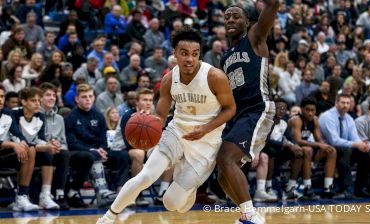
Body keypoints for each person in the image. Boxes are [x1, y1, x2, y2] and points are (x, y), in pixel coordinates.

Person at [97, 26, 236, 224]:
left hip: (206, 142)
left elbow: (230, 109)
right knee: (145, 176)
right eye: (184, 53)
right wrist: (149, 122)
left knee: (172, 203)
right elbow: (161, 117)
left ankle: (189, 187)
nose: (190, 59)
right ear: (175, 54)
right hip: (177, 133)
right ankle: (107, 218)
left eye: (195, 54)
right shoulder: (169, 79)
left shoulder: (214, 77)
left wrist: (205, 128)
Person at [217, 1, 278, 223]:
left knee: (226, 158)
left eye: (236, 16)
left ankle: (250, 215)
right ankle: (248, 214)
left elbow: (273, 6)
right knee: (222, 174)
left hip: (257, 108)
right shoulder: (224, 58)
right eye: (227, 17)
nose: (230, 20)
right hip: (238, 115)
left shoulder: (254, 38)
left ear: (247, 22)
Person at [65, 84, 129, 208]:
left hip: (97, 151)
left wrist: (103, 150)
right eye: (84, 97)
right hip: (78, 153)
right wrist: (93, 150)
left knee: (123, 155)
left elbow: (103, 141)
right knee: (91, 155)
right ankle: (103, 193)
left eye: (90, 96)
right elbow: (72, 143)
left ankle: (120, 192)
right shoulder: (70, 117)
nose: (88, 99)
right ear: (77, 99)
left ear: (94, 98)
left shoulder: (99, 116)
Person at [319, 93, 369, 199]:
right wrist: (355, 144)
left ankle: (360, 189)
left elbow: (354, 137)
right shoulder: (327, 116)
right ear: (336, 103)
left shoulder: (349, 118)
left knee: (367, 153)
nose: (345, 105)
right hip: (324, 151)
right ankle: (345, 189)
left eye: (348, 103)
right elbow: (334, 141)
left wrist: (361, 145)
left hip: (342, 150)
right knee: (346, 150)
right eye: (343, 103)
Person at [288, 97, 337, 199]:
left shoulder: (314, 120)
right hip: (290, 150)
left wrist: (324, 146)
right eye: (307, 110)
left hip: (307, 150)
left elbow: (319, 140)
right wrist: (319, 145)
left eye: (313, 110)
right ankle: (307, 187)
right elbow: (298, 141)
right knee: (307, 150)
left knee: (331, 151)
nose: (310, 113)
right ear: (301, 109)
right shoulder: (296, 120)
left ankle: (327, 188)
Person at [0, 84, 37, 211]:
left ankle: (21, 197)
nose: (0, 100)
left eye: (1, 96)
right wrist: (12, 144)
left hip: (3, 155)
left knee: (30, 149)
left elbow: (18, 134)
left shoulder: (7, 113)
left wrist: (21, 143)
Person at [39, 82, 70, 210]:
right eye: (48, 95)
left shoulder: (59, 118)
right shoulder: (35, 115)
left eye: (54, 95)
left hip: (56, 150)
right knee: (48, 152)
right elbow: (34, 138)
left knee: (64, 153)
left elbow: (64, 141)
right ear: (40, 98)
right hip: (40, 150)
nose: (52, 98)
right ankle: (45, 195)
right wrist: (48, 144)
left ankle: (60, 194)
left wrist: (58, 145)